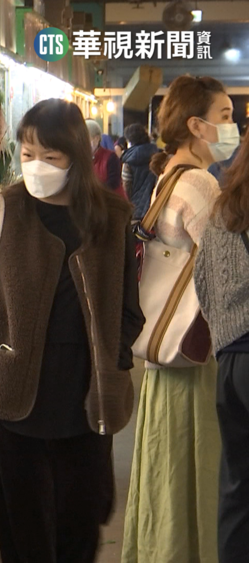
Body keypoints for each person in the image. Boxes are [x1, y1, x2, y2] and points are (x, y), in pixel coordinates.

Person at [0, 99, 144, 562]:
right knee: (23, 533)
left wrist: (114, 361)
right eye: (27, 154)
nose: (36, 165)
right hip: (11, 397)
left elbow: (128, 307)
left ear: (76, 156)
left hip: (84, 394)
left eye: (49, 156)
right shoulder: (2, 210)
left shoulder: (111, 218)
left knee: (82, 525)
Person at [122, 75, 233, 563]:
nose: (232, 126)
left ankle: (161, 548)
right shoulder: (200, 183)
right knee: (196, 463)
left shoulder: (169, 174)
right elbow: (225, 265)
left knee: (165, 466)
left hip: (164, 349)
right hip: (196, 348)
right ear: (196, 125)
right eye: (225, 116)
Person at [194, 140, 249, 563]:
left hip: (231, 360)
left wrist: (224, 335)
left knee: (237, 485)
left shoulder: (220, 213)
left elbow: (203, 283)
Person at [121, 123, 161, 222]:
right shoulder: (158, 155)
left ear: (130, 141)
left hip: (135, 210)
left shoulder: (129, 160)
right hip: (156, 206)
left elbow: (126, 188)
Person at [87, 119, 126, 199]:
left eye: (86, 138)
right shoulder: (82, 158)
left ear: (97, 138)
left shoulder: (110, 157)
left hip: (113, 201)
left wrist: (94, 191)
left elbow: (114, 182)